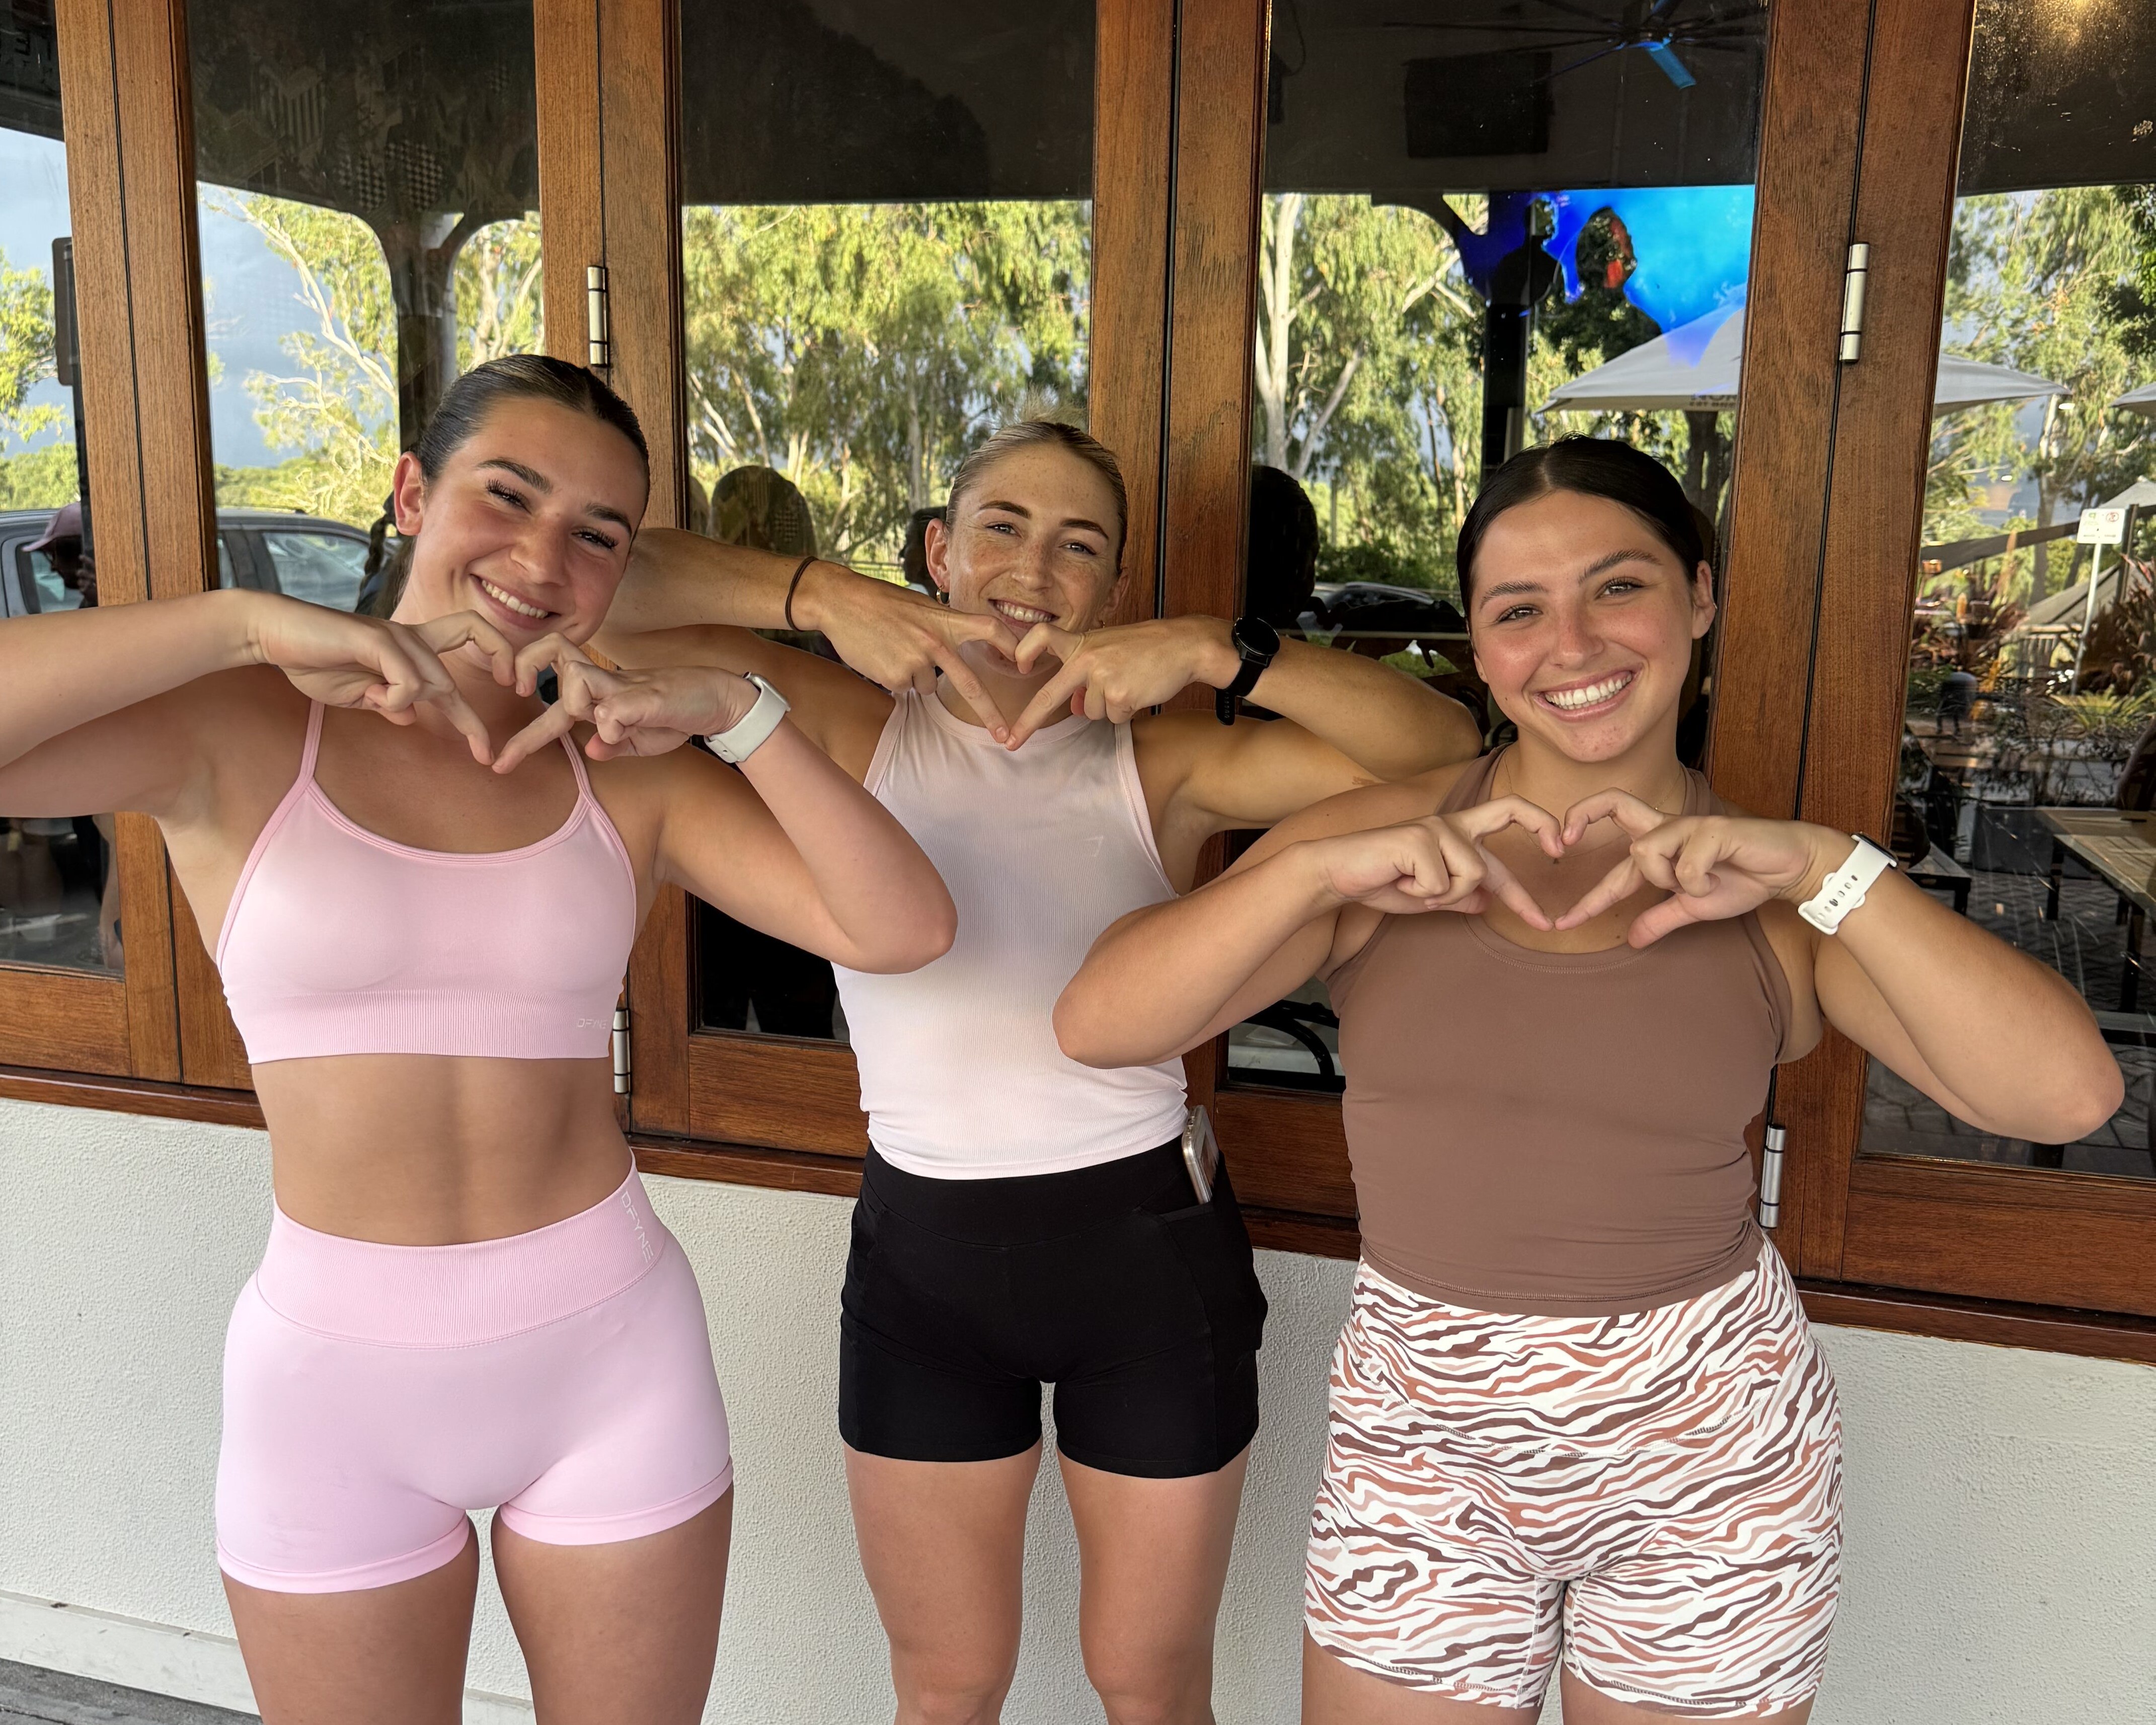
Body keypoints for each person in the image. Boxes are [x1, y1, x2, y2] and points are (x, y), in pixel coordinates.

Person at [1054, 437, 2120, 1725]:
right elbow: (1099, 1021)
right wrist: (1308, 873)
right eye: (1518, 610)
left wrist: (1825, 863)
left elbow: (2064, 1097)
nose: (1570, 642)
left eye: (1618, 587)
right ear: (1483, 647)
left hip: (1710, 1455)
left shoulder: (1779, 894)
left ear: (1699, 599)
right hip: (1426, 1441)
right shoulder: (1380, 843)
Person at [0, 355, 955, 1724]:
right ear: (410, 492)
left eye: (597, 534)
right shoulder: (243, 728)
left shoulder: (623, 767)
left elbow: (906, 924)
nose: (541, 554)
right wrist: (238, 623)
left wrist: (743, 713)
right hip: (333, 1377)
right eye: (504, 495)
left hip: (608, 1352)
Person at [594, 418, 1484, 1725]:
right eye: (1000, 528)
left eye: (1079, 545)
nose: (1034, 567)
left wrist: (1208, 649)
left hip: (1146, 1258)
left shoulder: (1165, 763)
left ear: (1111, 593)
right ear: (940, 555)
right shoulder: (843, 724)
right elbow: (601, 606)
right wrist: (818, 596)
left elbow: (1444, 750)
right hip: (923, 1261)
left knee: (1147, 1679)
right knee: (947, 1683)